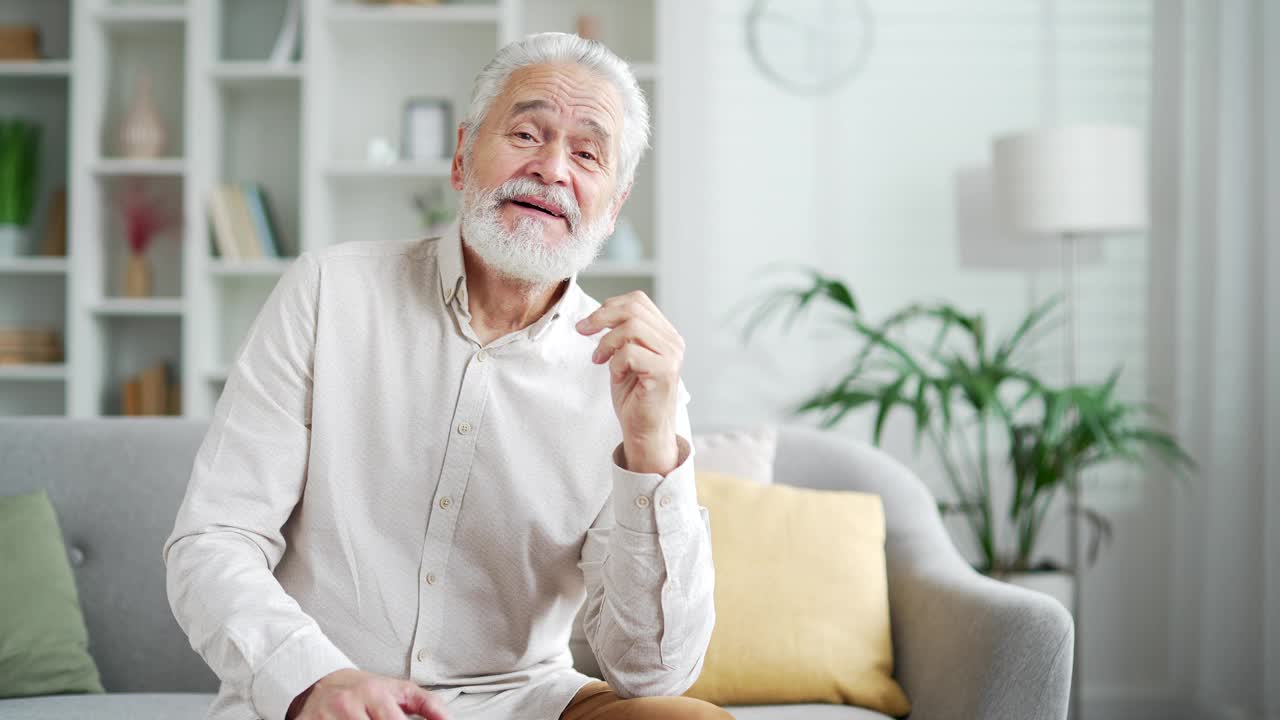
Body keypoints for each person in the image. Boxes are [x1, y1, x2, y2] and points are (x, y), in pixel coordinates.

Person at [163, 32, 727, 720]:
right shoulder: (327, 291)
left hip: (522, 701)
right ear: (461, 157)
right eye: (527, 133)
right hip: (332, 694)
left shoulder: (637, 378)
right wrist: (313, 679)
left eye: (586, 152)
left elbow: (653, 672)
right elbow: (213, 539)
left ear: (613, 206)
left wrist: (651, 454)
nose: (552, 169)